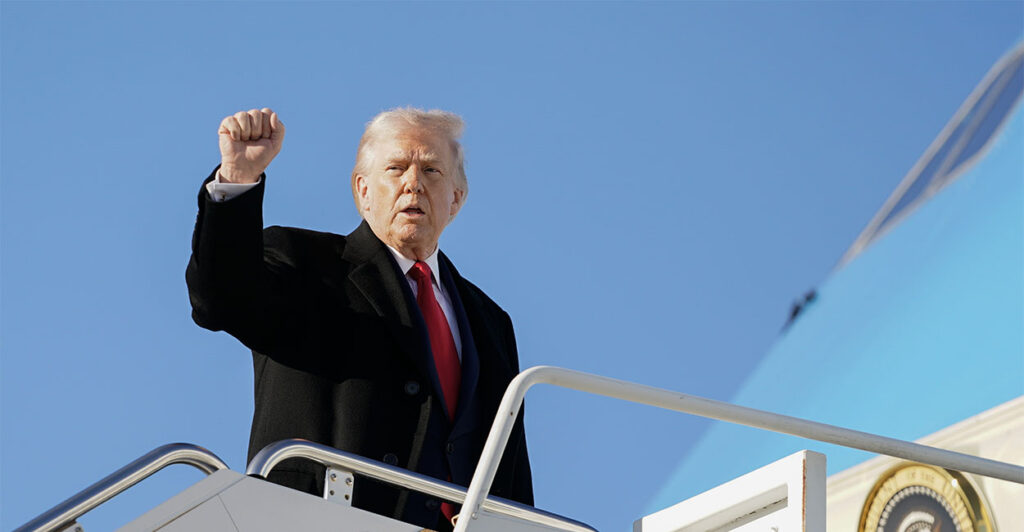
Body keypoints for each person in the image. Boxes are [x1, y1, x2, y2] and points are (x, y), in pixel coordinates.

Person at [186, 107, 533, 530]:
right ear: (363, 190)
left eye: (431, 170)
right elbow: (220, 299)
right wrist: (237, 178)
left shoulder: (490, 320)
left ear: (456, 198)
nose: (413, 183)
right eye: (396, 168)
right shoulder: (305, 264)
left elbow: (509, 463)